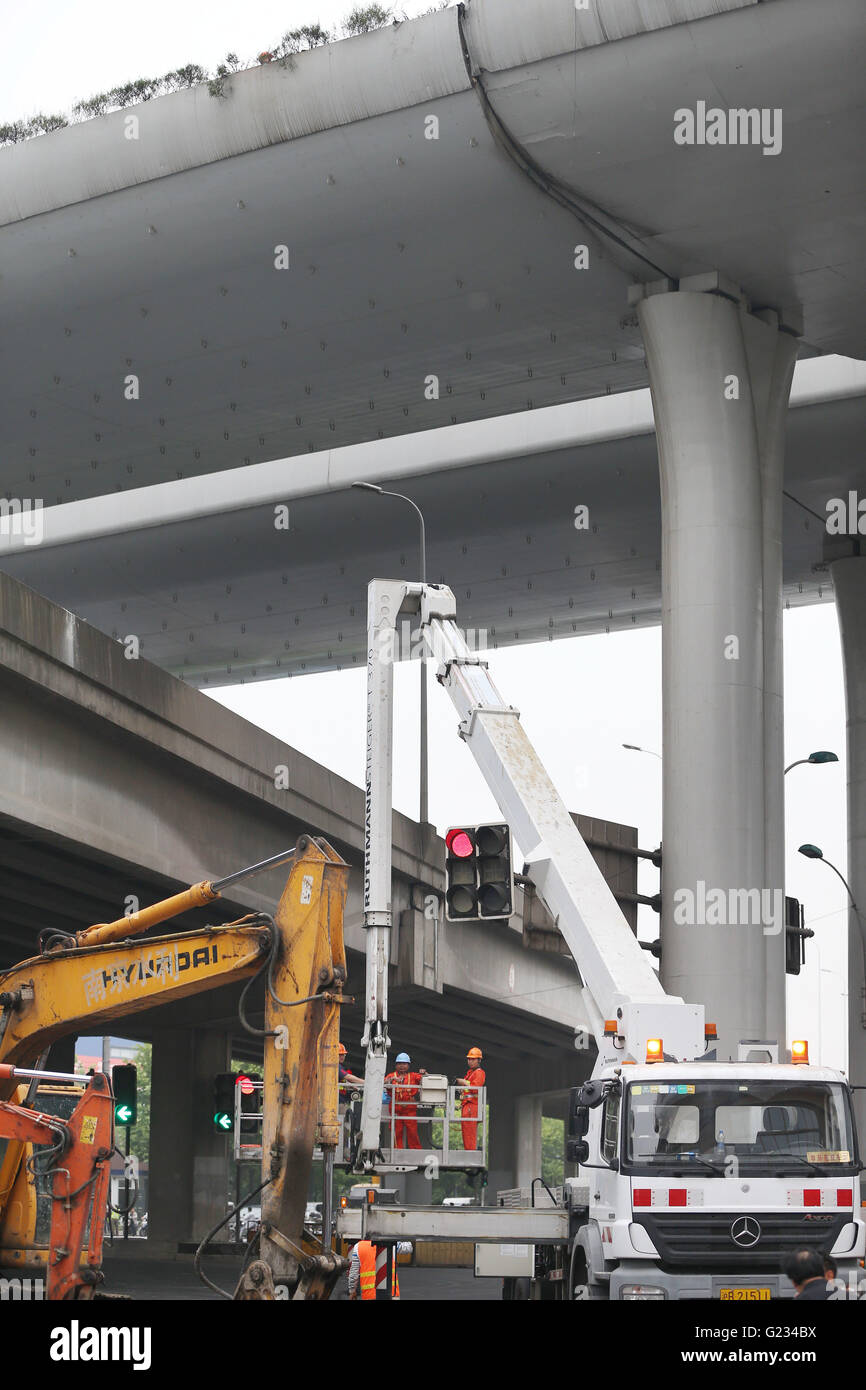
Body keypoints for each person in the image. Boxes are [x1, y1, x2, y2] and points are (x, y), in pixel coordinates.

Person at [384, 1053, 426, 1149]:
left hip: (410, 1110)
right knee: (396, 1133)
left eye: (404, 1063)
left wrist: (424, 1073)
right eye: (399, 1063)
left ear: (408, 1065)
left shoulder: (414, 1076)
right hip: (396, 1109)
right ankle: (397, 1153)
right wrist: (392, 1079)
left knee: (412, 1132)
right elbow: (382, 1082)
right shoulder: (391, 1076)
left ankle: (415, 1153)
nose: (402, 1066)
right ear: (396, 1065)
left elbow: (427, 1079)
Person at [348, 1240, 412, 1300]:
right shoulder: (392, 1244)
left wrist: (352, 1290)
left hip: (369, 1295)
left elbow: (353, 1273)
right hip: (391, 1294)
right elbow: (409, 1248)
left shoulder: (358, 1246)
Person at [456, 1046, 486, 1151]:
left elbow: (475, 1088)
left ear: (479, 1060)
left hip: (472, 1107)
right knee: (466, 1133)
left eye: (473, 1059)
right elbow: (467, 1089)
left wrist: (463, 1083)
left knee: (470, 1134)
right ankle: (469, 1153)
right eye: (469, 1059)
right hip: (466, 1106)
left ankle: (471, 1155)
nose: (470, 1061)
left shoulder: (480, 1073)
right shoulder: (470, 1073)